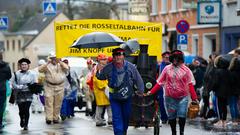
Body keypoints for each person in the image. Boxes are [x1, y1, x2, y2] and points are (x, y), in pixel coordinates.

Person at [147, 50, 198, 135]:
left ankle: (181, 132)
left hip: (183, 97)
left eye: (177, 58)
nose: (175, 60)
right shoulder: (167, 69)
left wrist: (194, 98)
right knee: (171, 116)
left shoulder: (186, 70)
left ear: (181, 59)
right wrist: (151, 92)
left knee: (182, 114)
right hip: (169, 97)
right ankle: (173, 132)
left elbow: (190, 84)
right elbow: (160, 82)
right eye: (173, 58)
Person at [96, 48, 144, 135]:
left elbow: (138, 79)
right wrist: (98, 69)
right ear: (113, 57)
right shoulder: (108, 68)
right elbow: (100, 77)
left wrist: (141, 91)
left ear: (123, 56)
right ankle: (119, 133)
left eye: (120, 55)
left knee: (126, 116)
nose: (118, 57)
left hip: (127, 97)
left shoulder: (131, 67)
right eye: (115, 55)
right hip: (114, 98)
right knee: (117, 118)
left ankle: (123, 131)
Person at [38, 52, 69, 124]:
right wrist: (47, 63)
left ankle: (55, 117)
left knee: (58, 103)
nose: (54, 59)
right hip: (49, 86)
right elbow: (40, 70)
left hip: (60, 86)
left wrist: (60, 62)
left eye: (55, 58)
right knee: (49, 102)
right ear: (50, 58)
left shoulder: (61, 65)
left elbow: (67, 68)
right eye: (52, 58)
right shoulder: (47, 65)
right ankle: (49, 118)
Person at [11, 58, 37, 130]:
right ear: (20, 66)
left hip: (28, 93)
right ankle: (22, 119)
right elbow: (12, 83)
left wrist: (32, 87)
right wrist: (19, 86)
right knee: (21, 110)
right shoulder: (16, 73)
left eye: (25, 64)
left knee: (26, 109)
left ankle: (26, 124)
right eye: (22, 64)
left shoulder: (32, 74)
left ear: (28, 66)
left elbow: (35, 83)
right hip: (19, 93)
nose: (24, 66)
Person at [93, 53, 112, 126]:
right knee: (100, 106)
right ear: (99, 60)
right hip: (100, 90)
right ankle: (98, 120)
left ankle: (111, 119)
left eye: (105, 59)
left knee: (110, 105)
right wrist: (104, 85)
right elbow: (95, 79)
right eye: (103, 59)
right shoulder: (96, 69)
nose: (104, 61)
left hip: (107, 88)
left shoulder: (106, 67)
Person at [157, 51, 170, 124]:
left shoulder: (173, 65)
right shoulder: (159, 66)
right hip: (162, 87)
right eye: (166, 57)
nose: (167, 59)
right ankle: (164, 118)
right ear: (163, 58)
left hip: (171, 87)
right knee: (162, 103)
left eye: (168, 57)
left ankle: (171, 117)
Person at [0, 53, 11, 130]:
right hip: (2, 88)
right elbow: (9, 76)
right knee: (1, 106)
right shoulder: (6, 66)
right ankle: (0, 123)